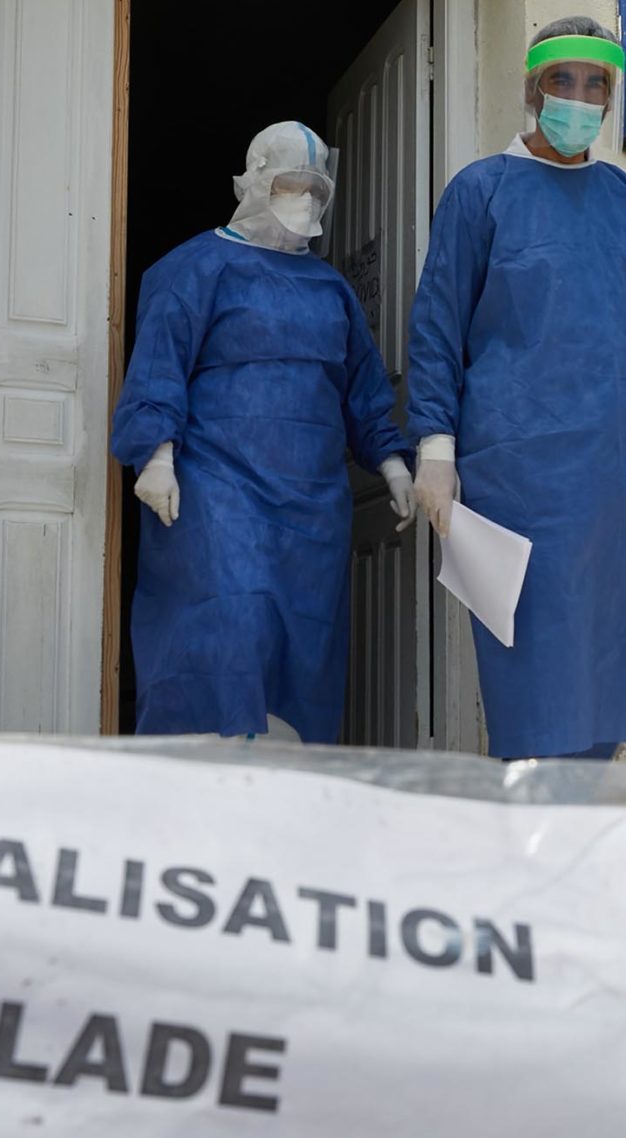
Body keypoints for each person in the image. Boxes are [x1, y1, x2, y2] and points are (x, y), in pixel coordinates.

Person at [403, 17, 626, 762]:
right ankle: (536, 844)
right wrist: (436, 447)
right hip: (524, 475)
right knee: (536, 670)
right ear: (533, 89)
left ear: (610, 101)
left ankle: (590, 844)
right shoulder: (482, 192)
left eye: (594, 85)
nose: (577, 98)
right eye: (561, 81)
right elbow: (438, 325)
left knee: (614, 661)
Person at [109, 122, 415, 743]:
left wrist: (393, 463)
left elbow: (361, 387)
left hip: (312, 506)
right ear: (253, 180)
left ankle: (284, 808)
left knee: (302, 646)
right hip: (218, 492)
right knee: (228, 627)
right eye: (288, 185)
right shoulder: (193, 269)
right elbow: (160, 364)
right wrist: (156, 455)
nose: (302, 200)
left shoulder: (331, 290)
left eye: (315, 190)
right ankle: (194, 802)